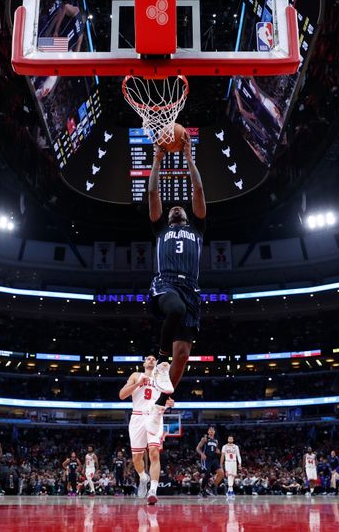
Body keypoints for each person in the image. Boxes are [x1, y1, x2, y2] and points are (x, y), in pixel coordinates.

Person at [146, 136, 206, 409]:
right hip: (166, 283)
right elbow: (153, 194)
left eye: (179, 208)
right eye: (173, 209)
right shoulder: (160, 228)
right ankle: (160, 356)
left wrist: (190, 160)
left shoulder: (197, 228)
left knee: (182, 355)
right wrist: (157, 161)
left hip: (191, 289)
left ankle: (160, 402)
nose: (176, 208)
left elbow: (199, 191)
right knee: (177, 310)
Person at [119, 355, 175, 506]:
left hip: (155, 415)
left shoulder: (161, 378)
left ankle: (153, 491)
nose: (151, 360)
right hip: (137, 417)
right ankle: (143, 478)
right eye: (148, 358)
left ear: (157, 363)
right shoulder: (136, 375)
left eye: (153, 359)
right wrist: (138, 384)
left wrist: (170, 402)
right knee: (137, 458)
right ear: (144, 363)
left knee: (154, 452)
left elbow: (167, 399)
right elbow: (122, 395)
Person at [196, 427, 223, 497]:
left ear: (214, 432)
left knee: (221, 473)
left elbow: (217, 450)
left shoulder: (216, 441)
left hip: (214, 459)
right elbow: (198, 448)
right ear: (208, 432)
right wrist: (202, 454)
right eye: (210, 430)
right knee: (207, 473)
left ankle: (212, 487)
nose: (211, 431)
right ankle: (202, 490)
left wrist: (218, 451)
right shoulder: (204, 439)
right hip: (206, 459)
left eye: (212, 430)